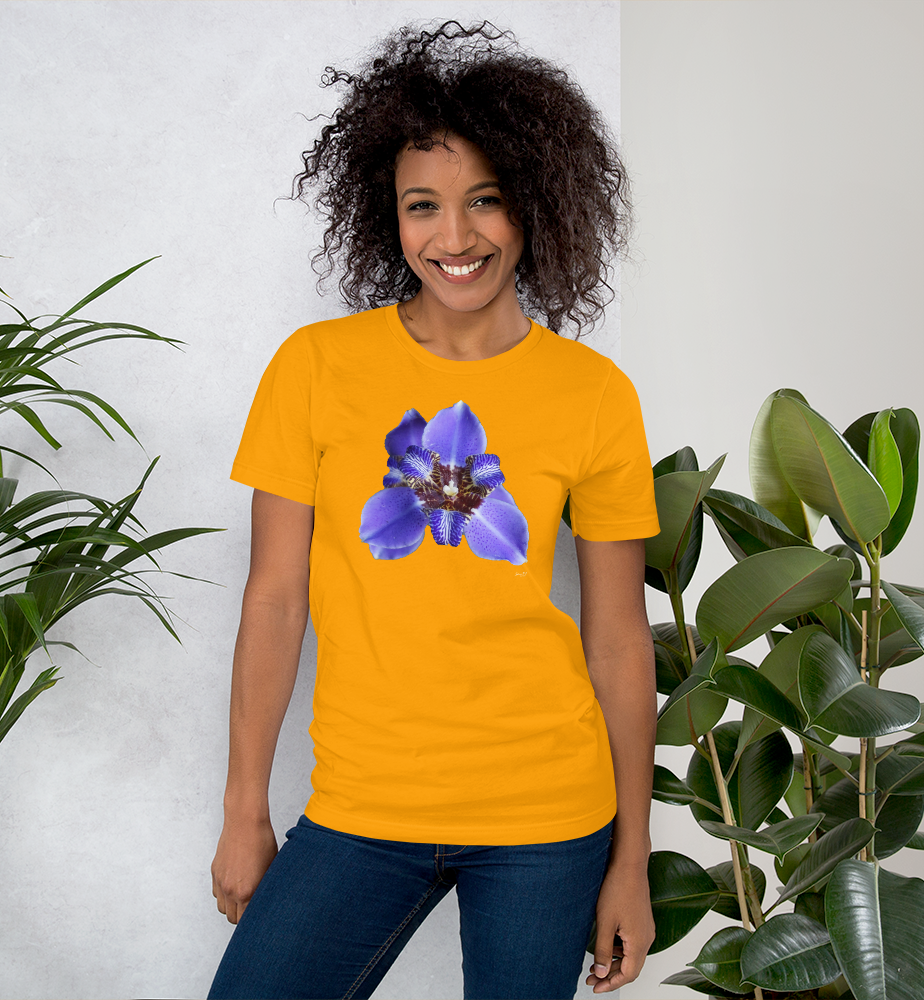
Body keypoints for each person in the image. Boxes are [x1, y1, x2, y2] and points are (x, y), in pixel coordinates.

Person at [207, 21, 660, 1000]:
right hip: (365, 804)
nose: (454, 238)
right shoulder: (314, 370)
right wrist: (245, 806)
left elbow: (621, 641)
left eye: (485, 200)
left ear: (535, 202)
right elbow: (275, 599)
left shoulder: (593, 394)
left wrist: (631, 858)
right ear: (390, 216)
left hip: (548, 815)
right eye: (424, 206)